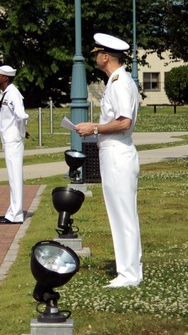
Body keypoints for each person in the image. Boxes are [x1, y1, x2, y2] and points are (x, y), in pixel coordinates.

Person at [75, 32, 143, 288]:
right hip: (113, 152)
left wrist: (94, 128)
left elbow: (124, 122)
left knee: (123, 214)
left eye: (96, 54)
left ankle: (128, 275)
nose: (95, 58)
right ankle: (129, 270)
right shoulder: (117, 81)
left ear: (105, 56)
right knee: (122, 214)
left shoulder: (120, 83)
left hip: (118, 153)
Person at [0, 65, 27, 225]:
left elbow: (21, 115)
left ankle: (16, 214)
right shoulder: (7, 93)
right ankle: (13, 211)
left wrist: (21, 131)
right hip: (9, 139)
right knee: (12, 177)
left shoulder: (13, 94)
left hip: (13, 140)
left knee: (15, 177)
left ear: (5, 78)